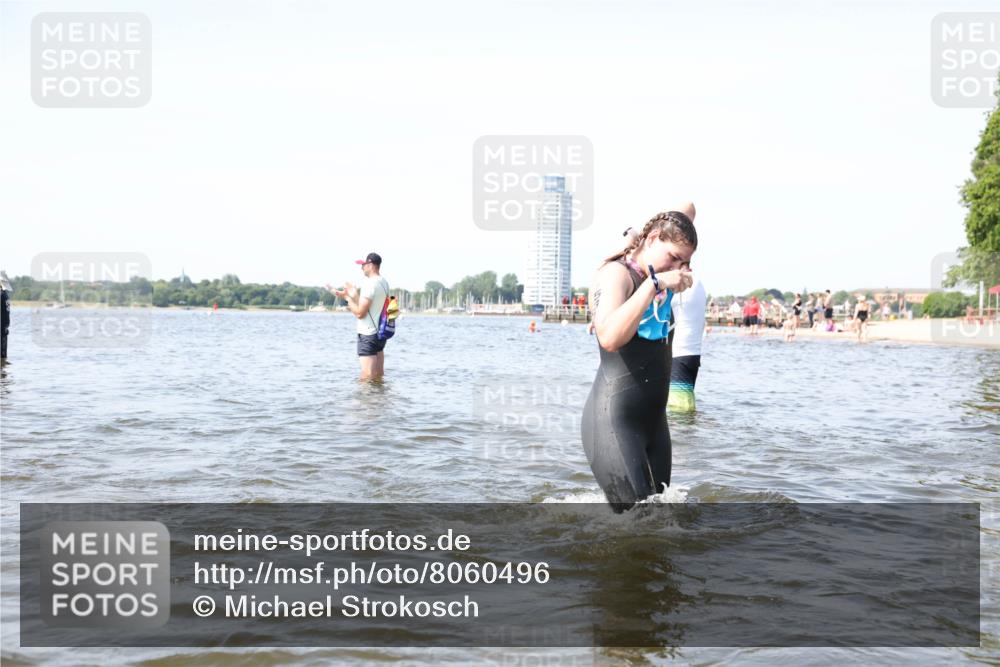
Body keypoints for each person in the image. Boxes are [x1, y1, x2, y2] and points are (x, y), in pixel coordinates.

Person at [582, 210, 697, 513]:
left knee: (659, 520)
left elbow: (686, 209)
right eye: (673, 258)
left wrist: (635, 232)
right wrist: (654, 285)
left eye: (685, 263)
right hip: (614, 422)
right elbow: (608, 337)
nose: (679, 268)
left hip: (654, 426)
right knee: (637, 524)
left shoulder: (657, 259)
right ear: (655, 239)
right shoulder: (618, 275)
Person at [328, 252, 390, 381]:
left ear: (371, 265)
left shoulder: (369, 284)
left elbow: (360, 313)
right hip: (380, 334)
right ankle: (380, 401)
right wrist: (353, 295)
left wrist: (347, 299)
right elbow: (370, 307)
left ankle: (365, 401)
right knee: (378, 377)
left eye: (364, 265)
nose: (362, 268)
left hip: (368, 334)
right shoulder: (384, 282)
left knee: (367, 377)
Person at [0, 271, 11, 363]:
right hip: (4, 328)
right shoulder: (5, 294)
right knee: (3, 356)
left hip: (1, 328)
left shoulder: (1, 295)